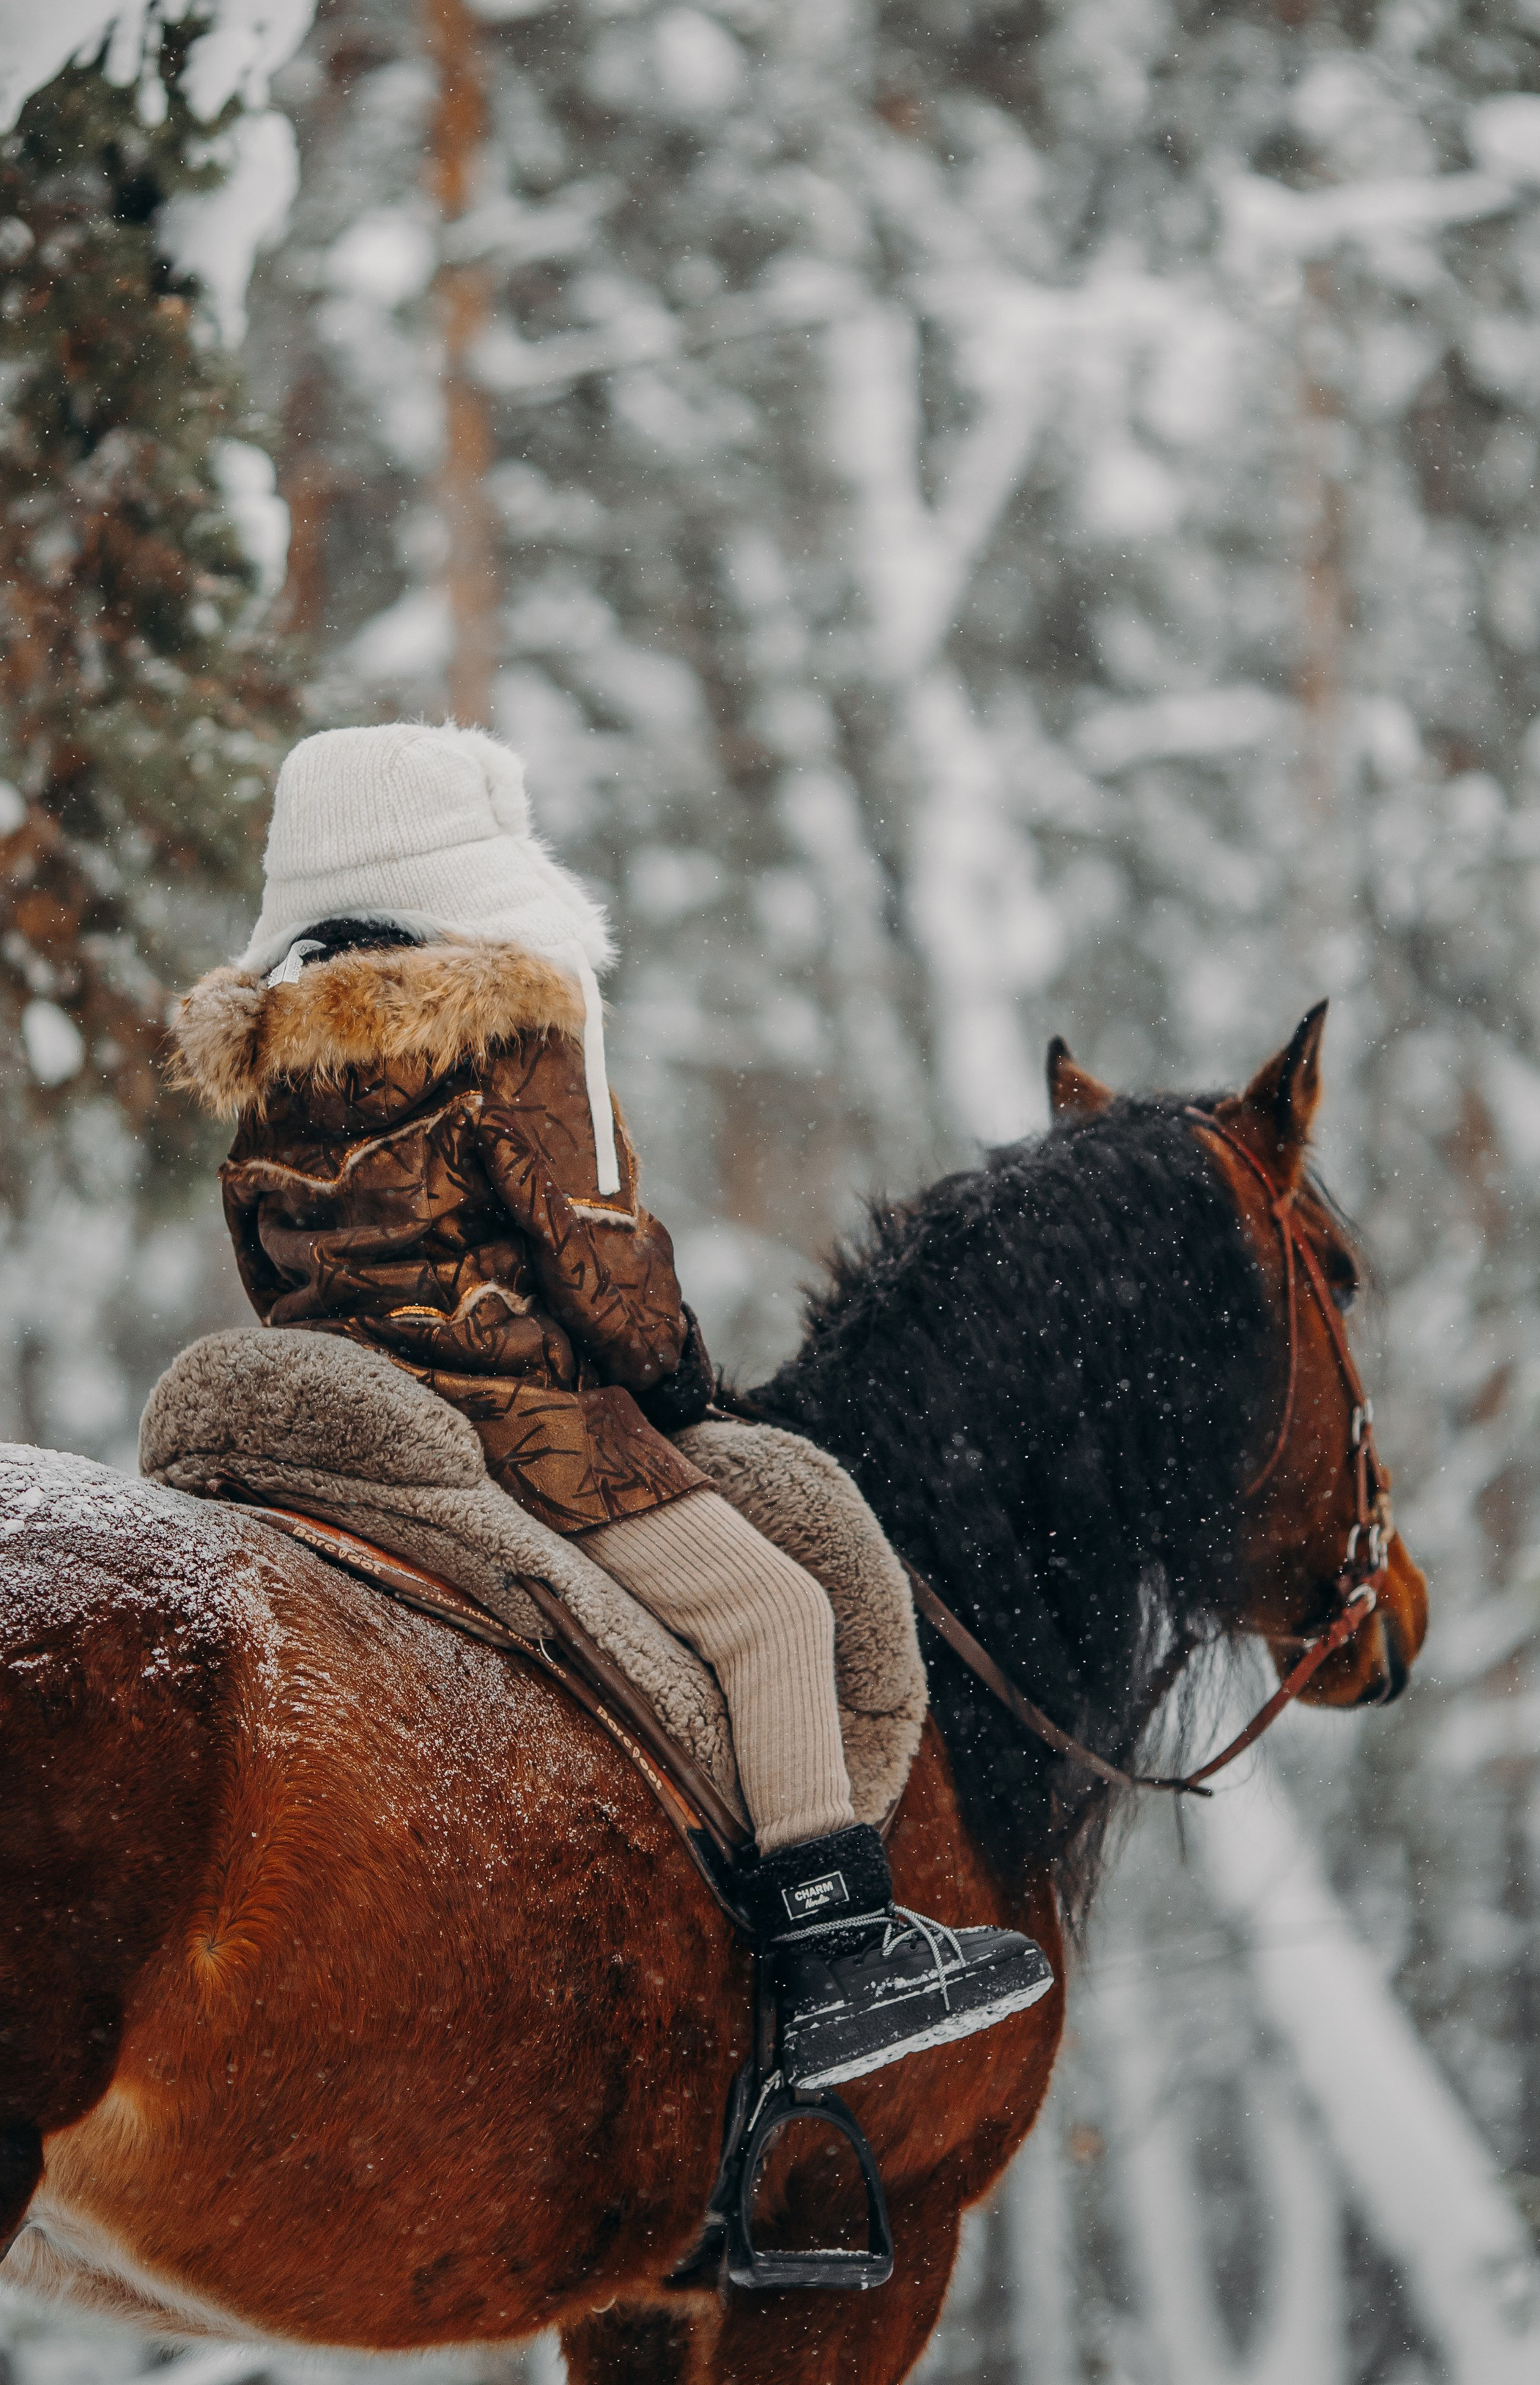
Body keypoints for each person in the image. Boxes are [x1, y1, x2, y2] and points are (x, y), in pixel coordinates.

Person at [171, 720, 1050, 2089]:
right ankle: (833, 1952)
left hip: (347, 1430)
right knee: (778, 1613)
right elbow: (602, 1259)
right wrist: (680, 1382)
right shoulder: (517, 1028)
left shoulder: (273, 1068)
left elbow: (268, 1268)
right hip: (527, 1435)